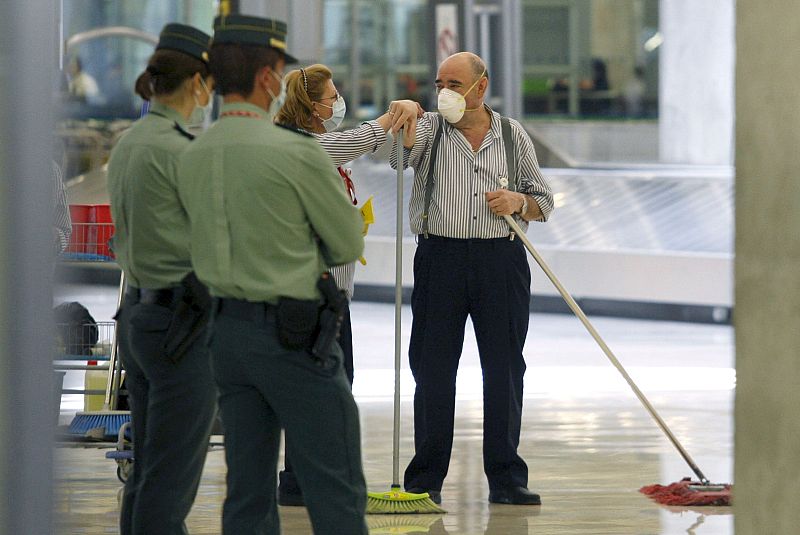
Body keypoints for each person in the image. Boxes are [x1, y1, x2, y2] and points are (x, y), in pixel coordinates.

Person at [177, 15, 368, 535]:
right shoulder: (296, 153)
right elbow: (348, 242)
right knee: (337, 482)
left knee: (248, 491)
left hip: (224, 337)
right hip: (292, 336)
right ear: (267, 77)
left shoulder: (194, 154)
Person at [390, 51, 554, 506]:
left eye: (455, 84)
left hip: (500, 260)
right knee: (433, 367)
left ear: (481, 87)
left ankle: (506, 477)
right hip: (439, 256)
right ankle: (425, 478)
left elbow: (544, 202)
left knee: (503, 367)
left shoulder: (511, 133)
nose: (444, 92)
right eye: (439, 83)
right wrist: (402, 116)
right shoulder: (427, 129)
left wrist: (518, 201)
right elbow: (396, 161)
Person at [273, 64, 419, 506]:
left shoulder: (315, 149)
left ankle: (311, 477)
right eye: (332, 96)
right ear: (311, 105)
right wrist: (393, 117)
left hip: (335, 293)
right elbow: (348, 142)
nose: (338, 103)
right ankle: (305, 481)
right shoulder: (304, 145)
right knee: (319, 385)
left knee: (337, 381)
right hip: (311, 291)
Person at [106, 23, 217, 535]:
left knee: (148, 473)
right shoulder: (179, 151)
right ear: (197, 81)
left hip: (139, 316)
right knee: (170, 481)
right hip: (180, 326)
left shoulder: (130, 143)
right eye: (209, 82)